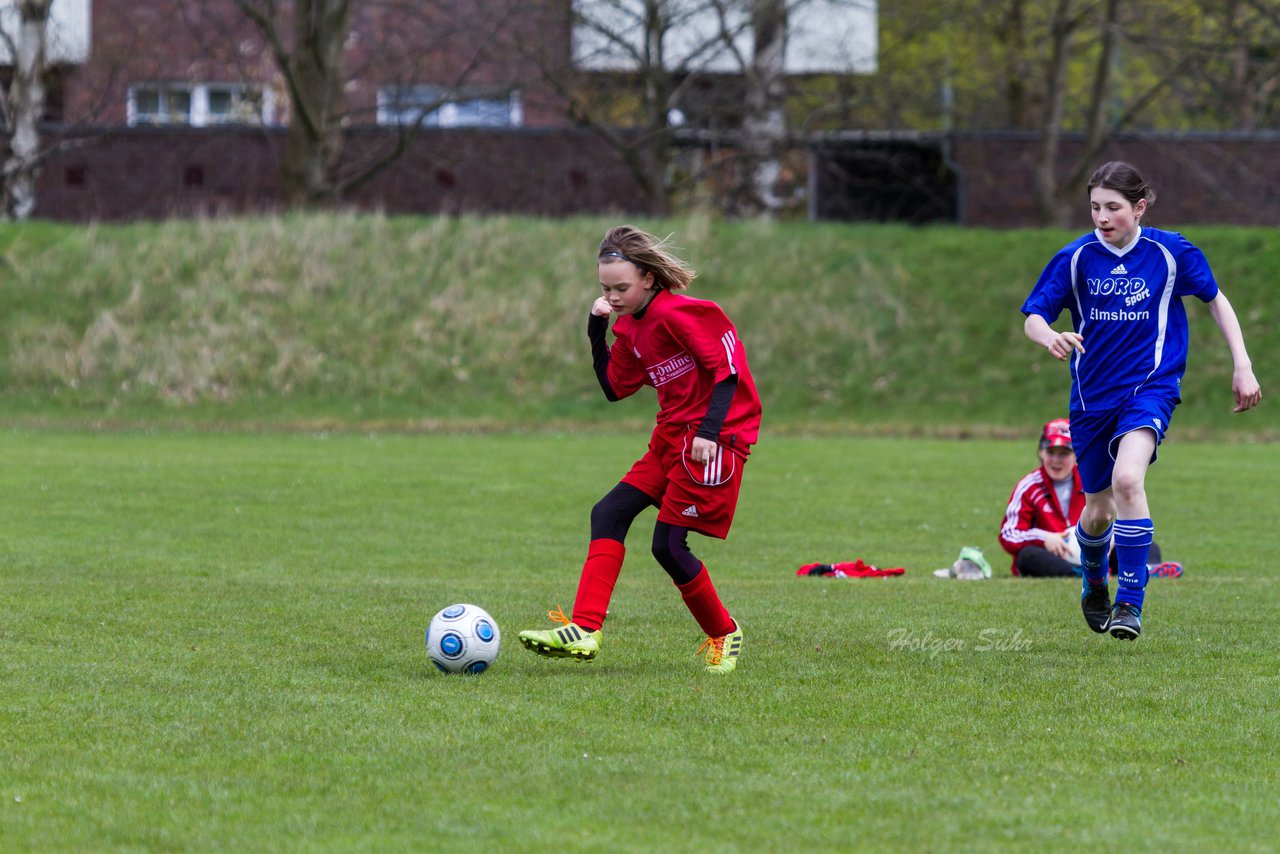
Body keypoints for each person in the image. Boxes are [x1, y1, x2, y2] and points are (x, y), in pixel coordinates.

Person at [1022, 161, 1261, 640]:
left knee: (1129, 479)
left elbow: (1216, 298)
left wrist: (1243, 363)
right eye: (1095, 207)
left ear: (1140, 206)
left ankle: (1130, 603)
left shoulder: (1169, 252)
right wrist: (1048, 335)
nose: (1103, 217)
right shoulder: (1076, 257)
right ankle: (1094, 582)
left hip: (1150, 389)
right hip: (1091, 400)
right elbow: (1033, 314)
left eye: (1113, 207)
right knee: (1098, 511)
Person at [518, 225, 762, 674]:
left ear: (648, 278)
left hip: (712, 441)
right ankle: (585, 630)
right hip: (670, 438)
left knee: (668, 546)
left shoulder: (682, 314)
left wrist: (709, 432)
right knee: (608, 513)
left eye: (621, 287)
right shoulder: (629, 328)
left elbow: (727, 372)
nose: (611, 296)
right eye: (605, 288)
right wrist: (597, 330)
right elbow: (614, 387)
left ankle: (724, 633)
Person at [999, 418, 1181, 579]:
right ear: (1041, 452)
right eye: (1051, 452)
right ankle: (1078, 573)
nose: (1056, 460)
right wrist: (1046, 538)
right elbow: (1008, 534)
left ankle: (1148, 569)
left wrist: (1113, 537)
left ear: (1076, 454)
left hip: (1095, 549)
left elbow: (1118, 513)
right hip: (1055, 557)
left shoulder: (1092, 482)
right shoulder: (1029, 486)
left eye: (1064, 453)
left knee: (1146, 545)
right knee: (1027, 556)